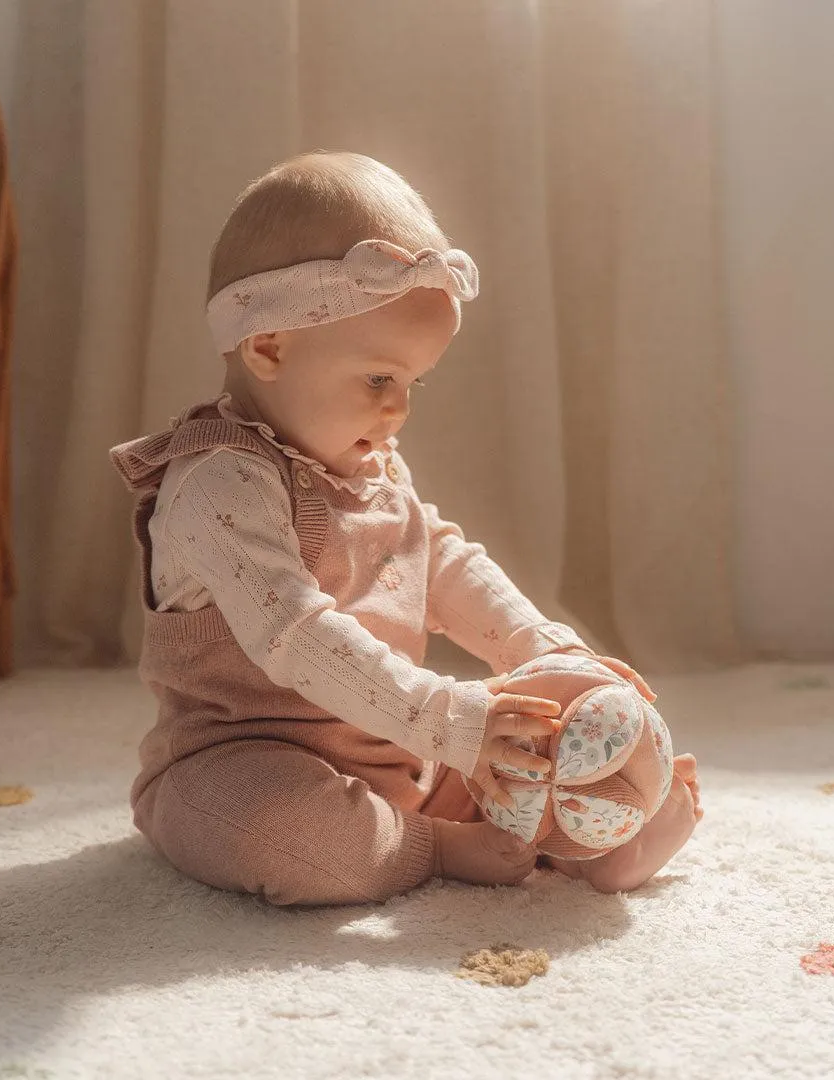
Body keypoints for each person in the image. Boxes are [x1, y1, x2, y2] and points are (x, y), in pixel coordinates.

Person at [110, 150, 702, 906]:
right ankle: (431, 845)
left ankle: (594, 834)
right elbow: (296, 634)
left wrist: (541, 647)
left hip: (400, 751)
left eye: (413, 383)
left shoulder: (369, 460)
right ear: (267, 347)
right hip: (239, 760)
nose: (399, 411)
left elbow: (443, 561)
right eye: (379, 379)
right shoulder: (216, 484)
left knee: (536, 738)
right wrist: (448, 719)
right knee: (297, 839)